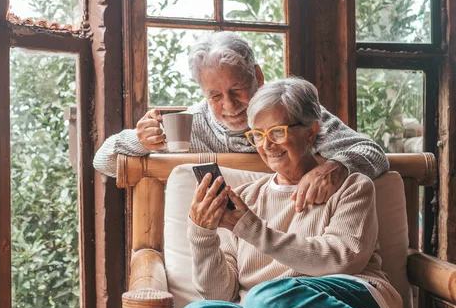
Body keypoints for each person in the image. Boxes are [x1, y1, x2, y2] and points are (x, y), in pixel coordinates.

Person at [178, 78, 420, 308]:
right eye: (257, 135)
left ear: (310, 132)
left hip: (349, 302)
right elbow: (219, 295)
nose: (266, 145)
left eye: (277, 132)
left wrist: (251, 228)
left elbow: (344, 259)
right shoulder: (245, 198)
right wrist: (202, 232)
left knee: (265, 300)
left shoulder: (350, 185)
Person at [93, 32, 389, 212]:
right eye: (215, 95)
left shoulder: (291, 110)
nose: (229, 105)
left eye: (237, 90)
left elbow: (372, 152)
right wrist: (139, 141)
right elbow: (103, 160)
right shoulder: (190, 125)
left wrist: (335, 168)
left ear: (258, 77)